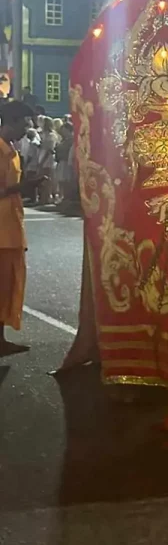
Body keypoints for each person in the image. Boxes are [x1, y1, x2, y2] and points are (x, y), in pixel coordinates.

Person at [0, 101, 36, 355]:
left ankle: (1, 340)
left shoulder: (11, 151)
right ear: (10, 122)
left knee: (8, 286)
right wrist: (21, 188)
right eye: (24, 124)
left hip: (11, 228)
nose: (27, 130)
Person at [37, 116, 59, 206]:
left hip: (48, 159)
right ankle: (43, 196)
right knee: (42, 179)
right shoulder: (43, 134)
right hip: (41, 156)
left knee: (47, 178)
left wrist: (42, 161)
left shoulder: (51, 135)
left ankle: (48, 197)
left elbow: (50, 149)